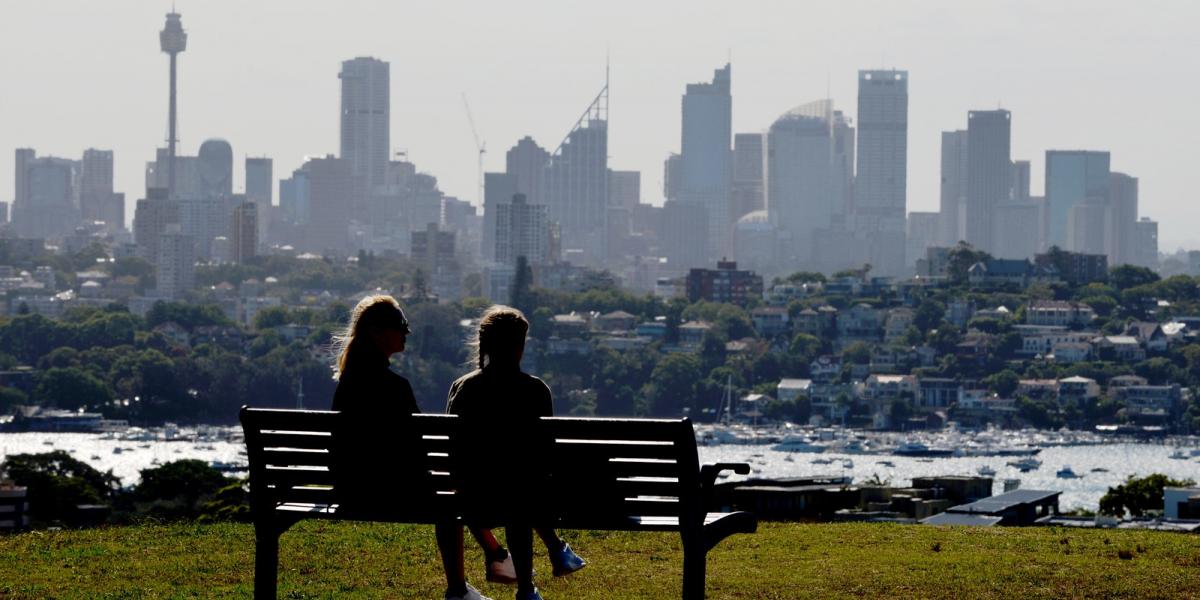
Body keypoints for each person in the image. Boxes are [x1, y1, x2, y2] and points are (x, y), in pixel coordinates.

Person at [330, 295, 491, 600]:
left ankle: (493, 557)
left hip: (350, 489)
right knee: (452, 499)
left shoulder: (348, 384)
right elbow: (416, 450)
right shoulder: (395, 387)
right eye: (401, 326)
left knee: (450, 494)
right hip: (390, 491)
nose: (406, 333)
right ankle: (462, 585)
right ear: (377, 332)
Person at [447, 305, 586, 600]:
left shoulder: (463, 388)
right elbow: (546, 456)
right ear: (521, 346)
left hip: (473, 500)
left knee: (514, 487)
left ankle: (555, 555)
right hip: (522, 499)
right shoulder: (535, 390)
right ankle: (531, 583)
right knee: (520, 489)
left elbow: (454, 453)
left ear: (484, 344)